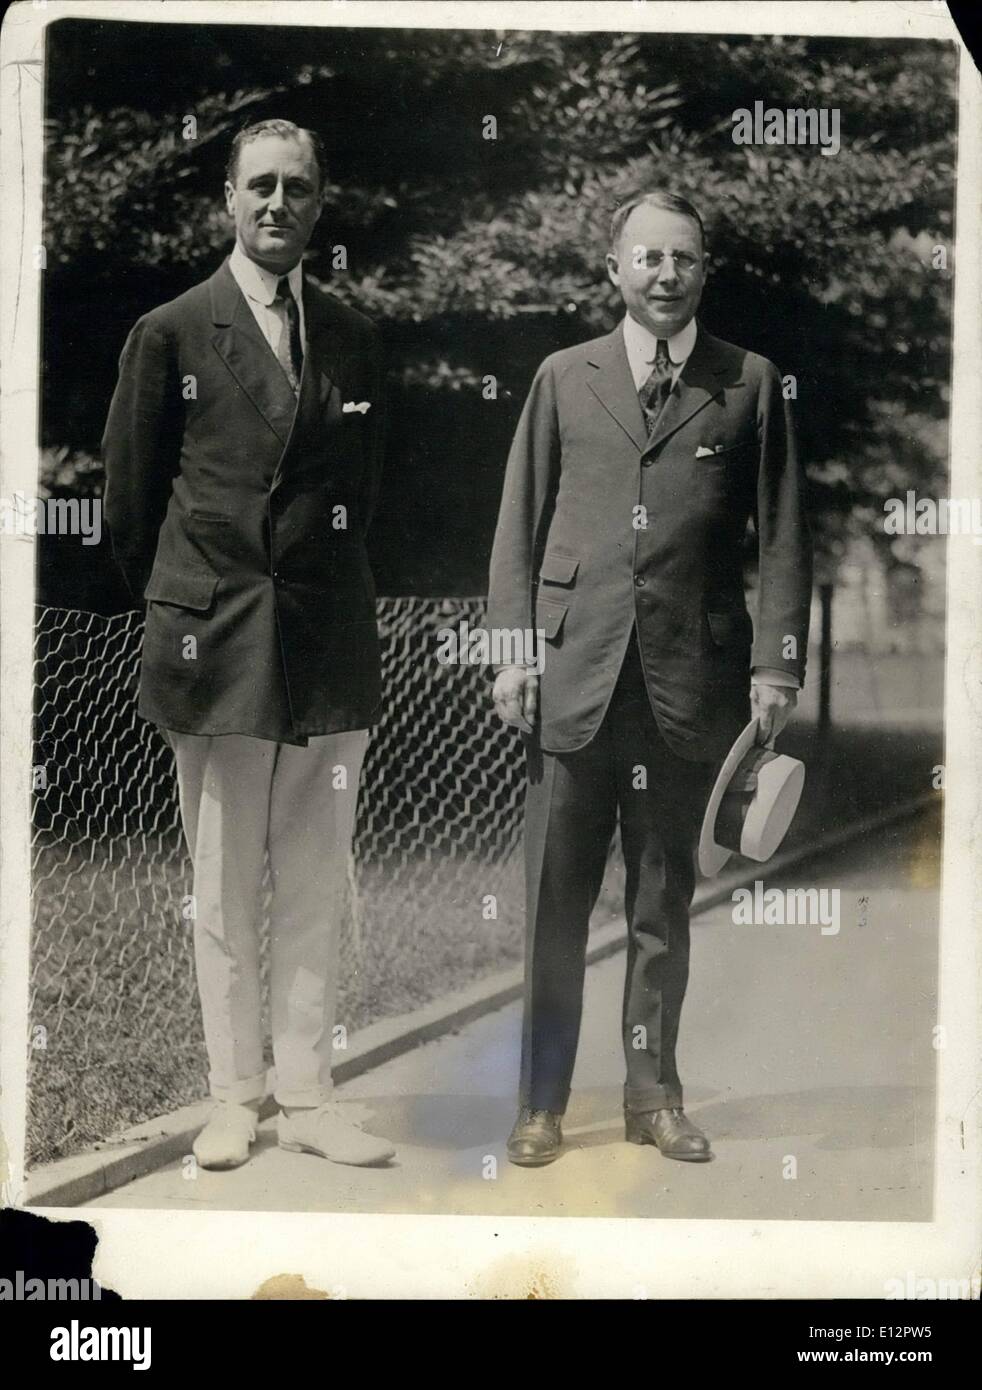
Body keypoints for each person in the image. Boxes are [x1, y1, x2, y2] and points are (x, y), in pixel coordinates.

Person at [487, 189, 812, 1166]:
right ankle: (541, 1103)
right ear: (614, 270)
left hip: (690, 684)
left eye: (682, 258)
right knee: (554, 906)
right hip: (574, 678)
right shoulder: (562, 376)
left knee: (663, 902)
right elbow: (519, 517)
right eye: (647, 257)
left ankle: (652, 1095)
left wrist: (773, 667)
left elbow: (786, 533)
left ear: (701, 269)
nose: (664, 274)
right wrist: (512, 648)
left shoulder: (749, 382)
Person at [103, 119, 394, 1170]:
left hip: (325, 641)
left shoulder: (355, 336)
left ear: (320, 205)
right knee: (223, 880)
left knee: (317, 875)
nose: (279, 204)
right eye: (260, 186)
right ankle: (234, 1094)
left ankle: (308, 1092)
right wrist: (195, 607)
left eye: (299, 189)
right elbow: (131, 510)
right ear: (227, 200)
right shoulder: (173, 331)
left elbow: (364, 493)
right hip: (217, 642)